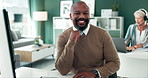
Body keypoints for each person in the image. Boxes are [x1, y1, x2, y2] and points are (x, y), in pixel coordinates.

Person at [55, 1, 120, 78]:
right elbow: (62, 70)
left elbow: (115, 63)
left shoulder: (102, 34)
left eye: (85, 13)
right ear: (71, 16)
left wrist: (94, 73)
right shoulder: (63, 37)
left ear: (89, 15)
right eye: (77, 13)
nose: (82, 16)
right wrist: (71, 42)